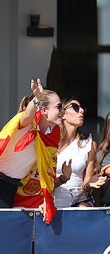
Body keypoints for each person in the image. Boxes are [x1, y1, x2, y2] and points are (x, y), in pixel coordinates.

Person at [0, 79, 63, 223]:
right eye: (59, 107)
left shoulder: (51, 135)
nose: (62, 111)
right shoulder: (28, 125)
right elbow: (26, 116)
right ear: (44, 110)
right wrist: (37, 99)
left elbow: (46, 171)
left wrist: (44, 200)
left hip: (11, 188)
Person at [53, 98, 107, 207]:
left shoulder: (88, 144)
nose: (81, 111)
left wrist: (91, 183)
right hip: (53, 199)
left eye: (82, 108)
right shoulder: (49, 142)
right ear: (62, 114)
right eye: (75, 108)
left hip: (78, 200)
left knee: (84, 208)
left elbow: (86, 181)